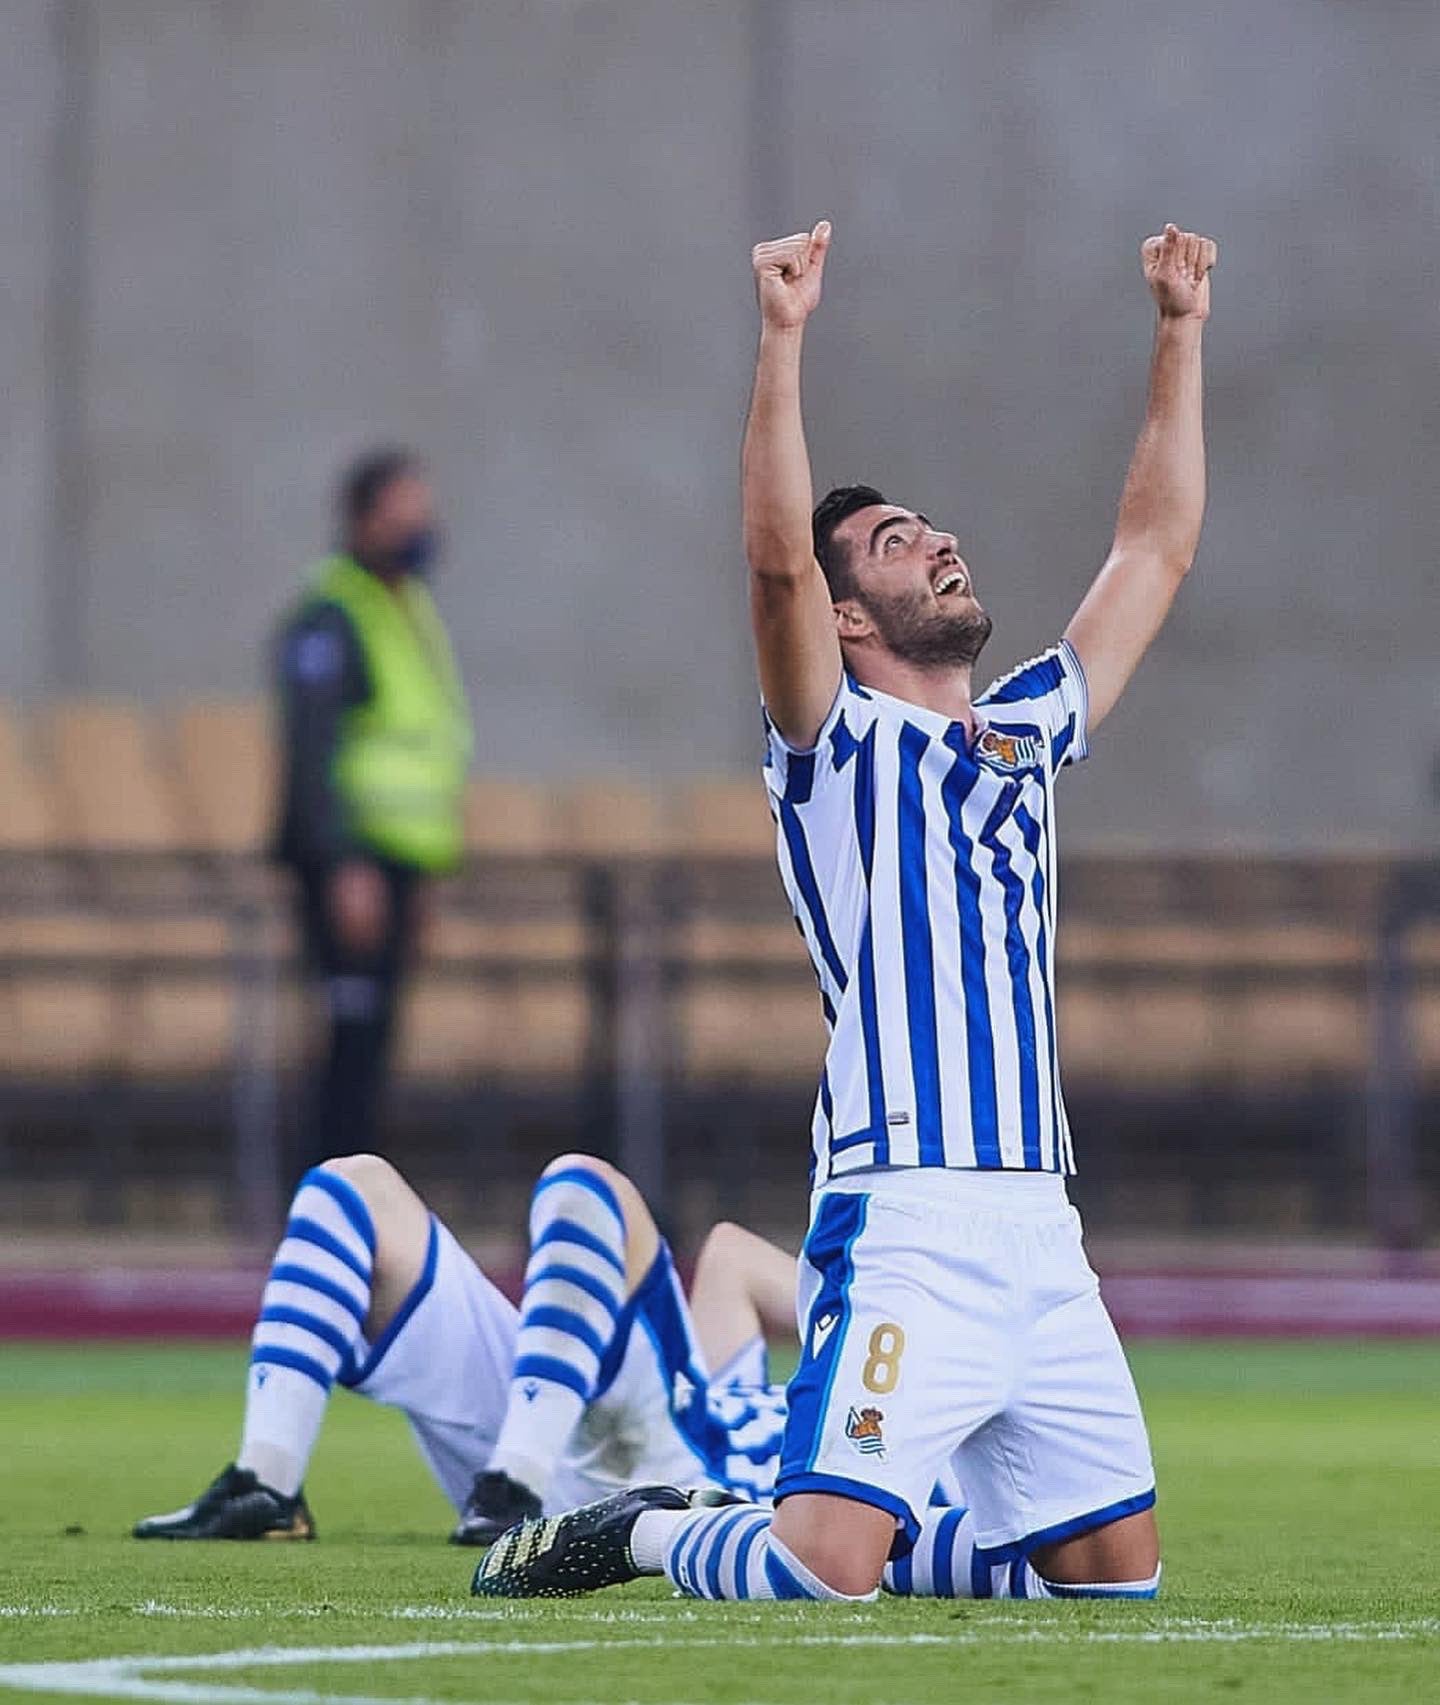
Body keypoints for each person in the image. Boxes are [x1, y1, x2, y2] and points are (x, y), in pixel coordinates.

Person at [471, 219, 1216, 1604]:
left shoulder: (1027, 732)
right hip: (907, 1220)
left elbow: (1156, 551)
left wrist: (1179, 334)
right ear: (849, 615)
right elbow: (770, 568)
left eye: (929, 525)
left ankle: (806, 1512)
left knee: (1116, 1590)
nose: (936, 539)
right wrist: (785, 339)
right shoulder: (833, 746)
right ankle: (649, 1526)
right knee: (821, 1577)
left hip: (1041, 1227)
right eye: (892, 539)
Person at [132, 1151, 796, 1543]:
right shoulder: (813, 1375)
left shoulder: (867, 1441)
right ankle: (267, 1483)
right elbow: (734, 1254)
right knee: (351, 1184)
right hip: (563, 1420)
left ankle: (516, 1487)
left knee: (583, 1182)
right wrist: (881, 1333)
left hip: (676, 1478)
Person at [272, 449, 473, 1173]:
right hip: (349, 865)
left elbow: (427, 748)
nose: (420, 524)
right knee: (345, 1047)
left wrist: (424, 873)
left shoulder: (408, 608)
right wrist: (343, 865)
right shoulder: (333, 613)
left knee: (376, 1048)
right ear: (363, 519)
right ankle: (325, 1205)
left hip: (400, 863)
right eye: (402, 511)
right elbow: (313, 751)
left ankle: (360, 1207)